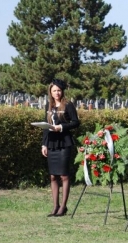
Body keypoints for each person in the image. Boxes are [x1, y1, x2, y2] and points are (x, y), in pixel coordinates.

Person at [41, 78, 80, 217]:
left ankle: (63, 207)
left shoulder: (68, 105)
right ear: (50, 92)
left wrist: (61, 127)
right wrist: (44, 143)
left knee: (63, 175)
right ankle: (55, 206)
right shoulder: (48, 106)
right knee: (53, 176)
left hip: (64, 143)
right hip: (51, 143)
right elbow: (46, 126)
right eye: (54, 91)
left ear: (62, 91)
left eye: (59, 90)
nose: (57, 93)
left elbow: (76, 122)